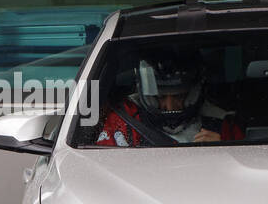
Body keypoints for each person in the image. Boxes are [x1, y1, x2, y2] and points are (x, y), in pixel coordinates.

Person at [95, 51, 241, 146]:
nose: (170, 106)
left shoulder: (221, 123)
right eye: (160, 97)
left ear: (193, 92)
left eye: (179, 96)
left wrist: (222, 148)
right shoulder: (124, 119)